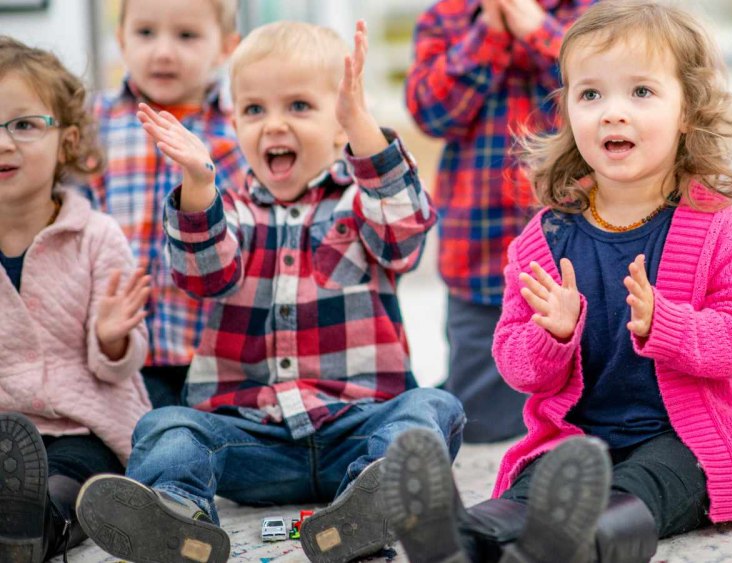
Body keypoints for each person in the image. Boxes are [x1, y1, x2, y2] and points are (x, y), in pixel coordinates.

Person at [385, 2, 732, 561]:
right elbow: (518, 367)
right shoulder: (546, 237)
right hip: (577, 440)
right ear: (567, 113)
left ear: (687, 109)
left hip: (682, 439)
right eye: (591, 95)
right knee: (535, 483)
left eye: (641, 92)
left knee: (657, 481)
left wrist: (668, 324)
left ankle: (577, 546)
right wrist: (553, 333)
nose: (613, 113)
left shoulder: (714, 225)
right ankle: (461, 538)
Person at [74, 21, 464, 563]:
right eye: (254, 110)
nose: (273, 124)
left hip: (356, 427)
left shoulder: (363, 203)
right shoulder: (227, 208)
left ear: (339, 126)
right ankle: (177, 516)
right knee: (165, 424)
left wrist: (366, 134)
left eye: (299, 106)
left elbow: (406, 236)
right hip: (250, 443)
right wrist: (198, 184)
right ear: (234, 124)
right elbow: (200, 273)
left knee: (432, 406)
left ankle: (375, 501)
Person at [406, 0, 598, 442]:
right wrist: (489, 34)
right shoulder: (445, 20)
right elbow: (432, 114)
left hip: (577, 254)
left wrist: (539, 31)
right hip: (478, 261)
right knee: (481, 422)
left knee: (585, 407)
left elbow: (602, 88)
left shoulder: (592, 13)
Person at [0, 37, 152, 562]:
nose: (3, 143)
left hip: (83, 424)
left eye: (23, 124)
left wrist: (111, 339)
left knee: (76, 481)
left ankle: (40, 529)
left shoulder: (96, 236)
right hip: (4, 433)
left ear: (66, 141)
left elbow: (121, 366)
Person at [89, 0, 246, 408]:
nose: (162, 52)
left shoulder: (240, 129)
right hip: (113, 346)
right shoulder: (94, 123)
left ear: (226, 47)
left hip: (213, 353)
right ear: (121, 39)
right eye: (145, 33)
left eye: (187, 36)